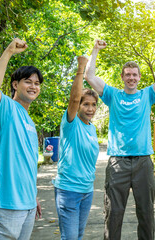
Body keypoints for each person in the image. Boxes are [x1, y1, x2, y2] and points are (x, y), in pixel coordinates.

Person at [85, 37, 155, 240]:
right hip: (118, 162)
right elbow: (89, 76)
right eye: (127, 75)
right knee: (113, 213)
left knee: (146, 213)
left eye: (134, 74)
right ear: (122, 77)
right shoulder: (112, 95)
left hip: (143, 161)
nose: (131, 78)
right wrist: (95, 50)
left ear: (139, 77)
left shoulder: (147, 95)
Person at [0, 38, 42, 239]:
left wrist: (32, 195)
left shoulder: (29, 121)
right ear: (15, 85)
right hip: (4, 204)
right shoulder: (7, 108)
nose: (33, 86)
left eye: (37, 83)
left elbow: (26, 163)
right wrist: (8, 51)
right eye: (28, 81)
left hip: (26, 205)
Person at [53, 56, 100, 239]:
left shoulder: (92, 128)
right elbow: (72, 100)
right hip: (68, 190)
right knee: (70, 237)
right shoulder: (71, 123)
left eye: (94, 105)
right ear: (78, 105)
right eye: (85, 104)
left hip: (86, 191)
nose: (90, 108)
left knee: (78, 235)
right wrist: (81, 69)